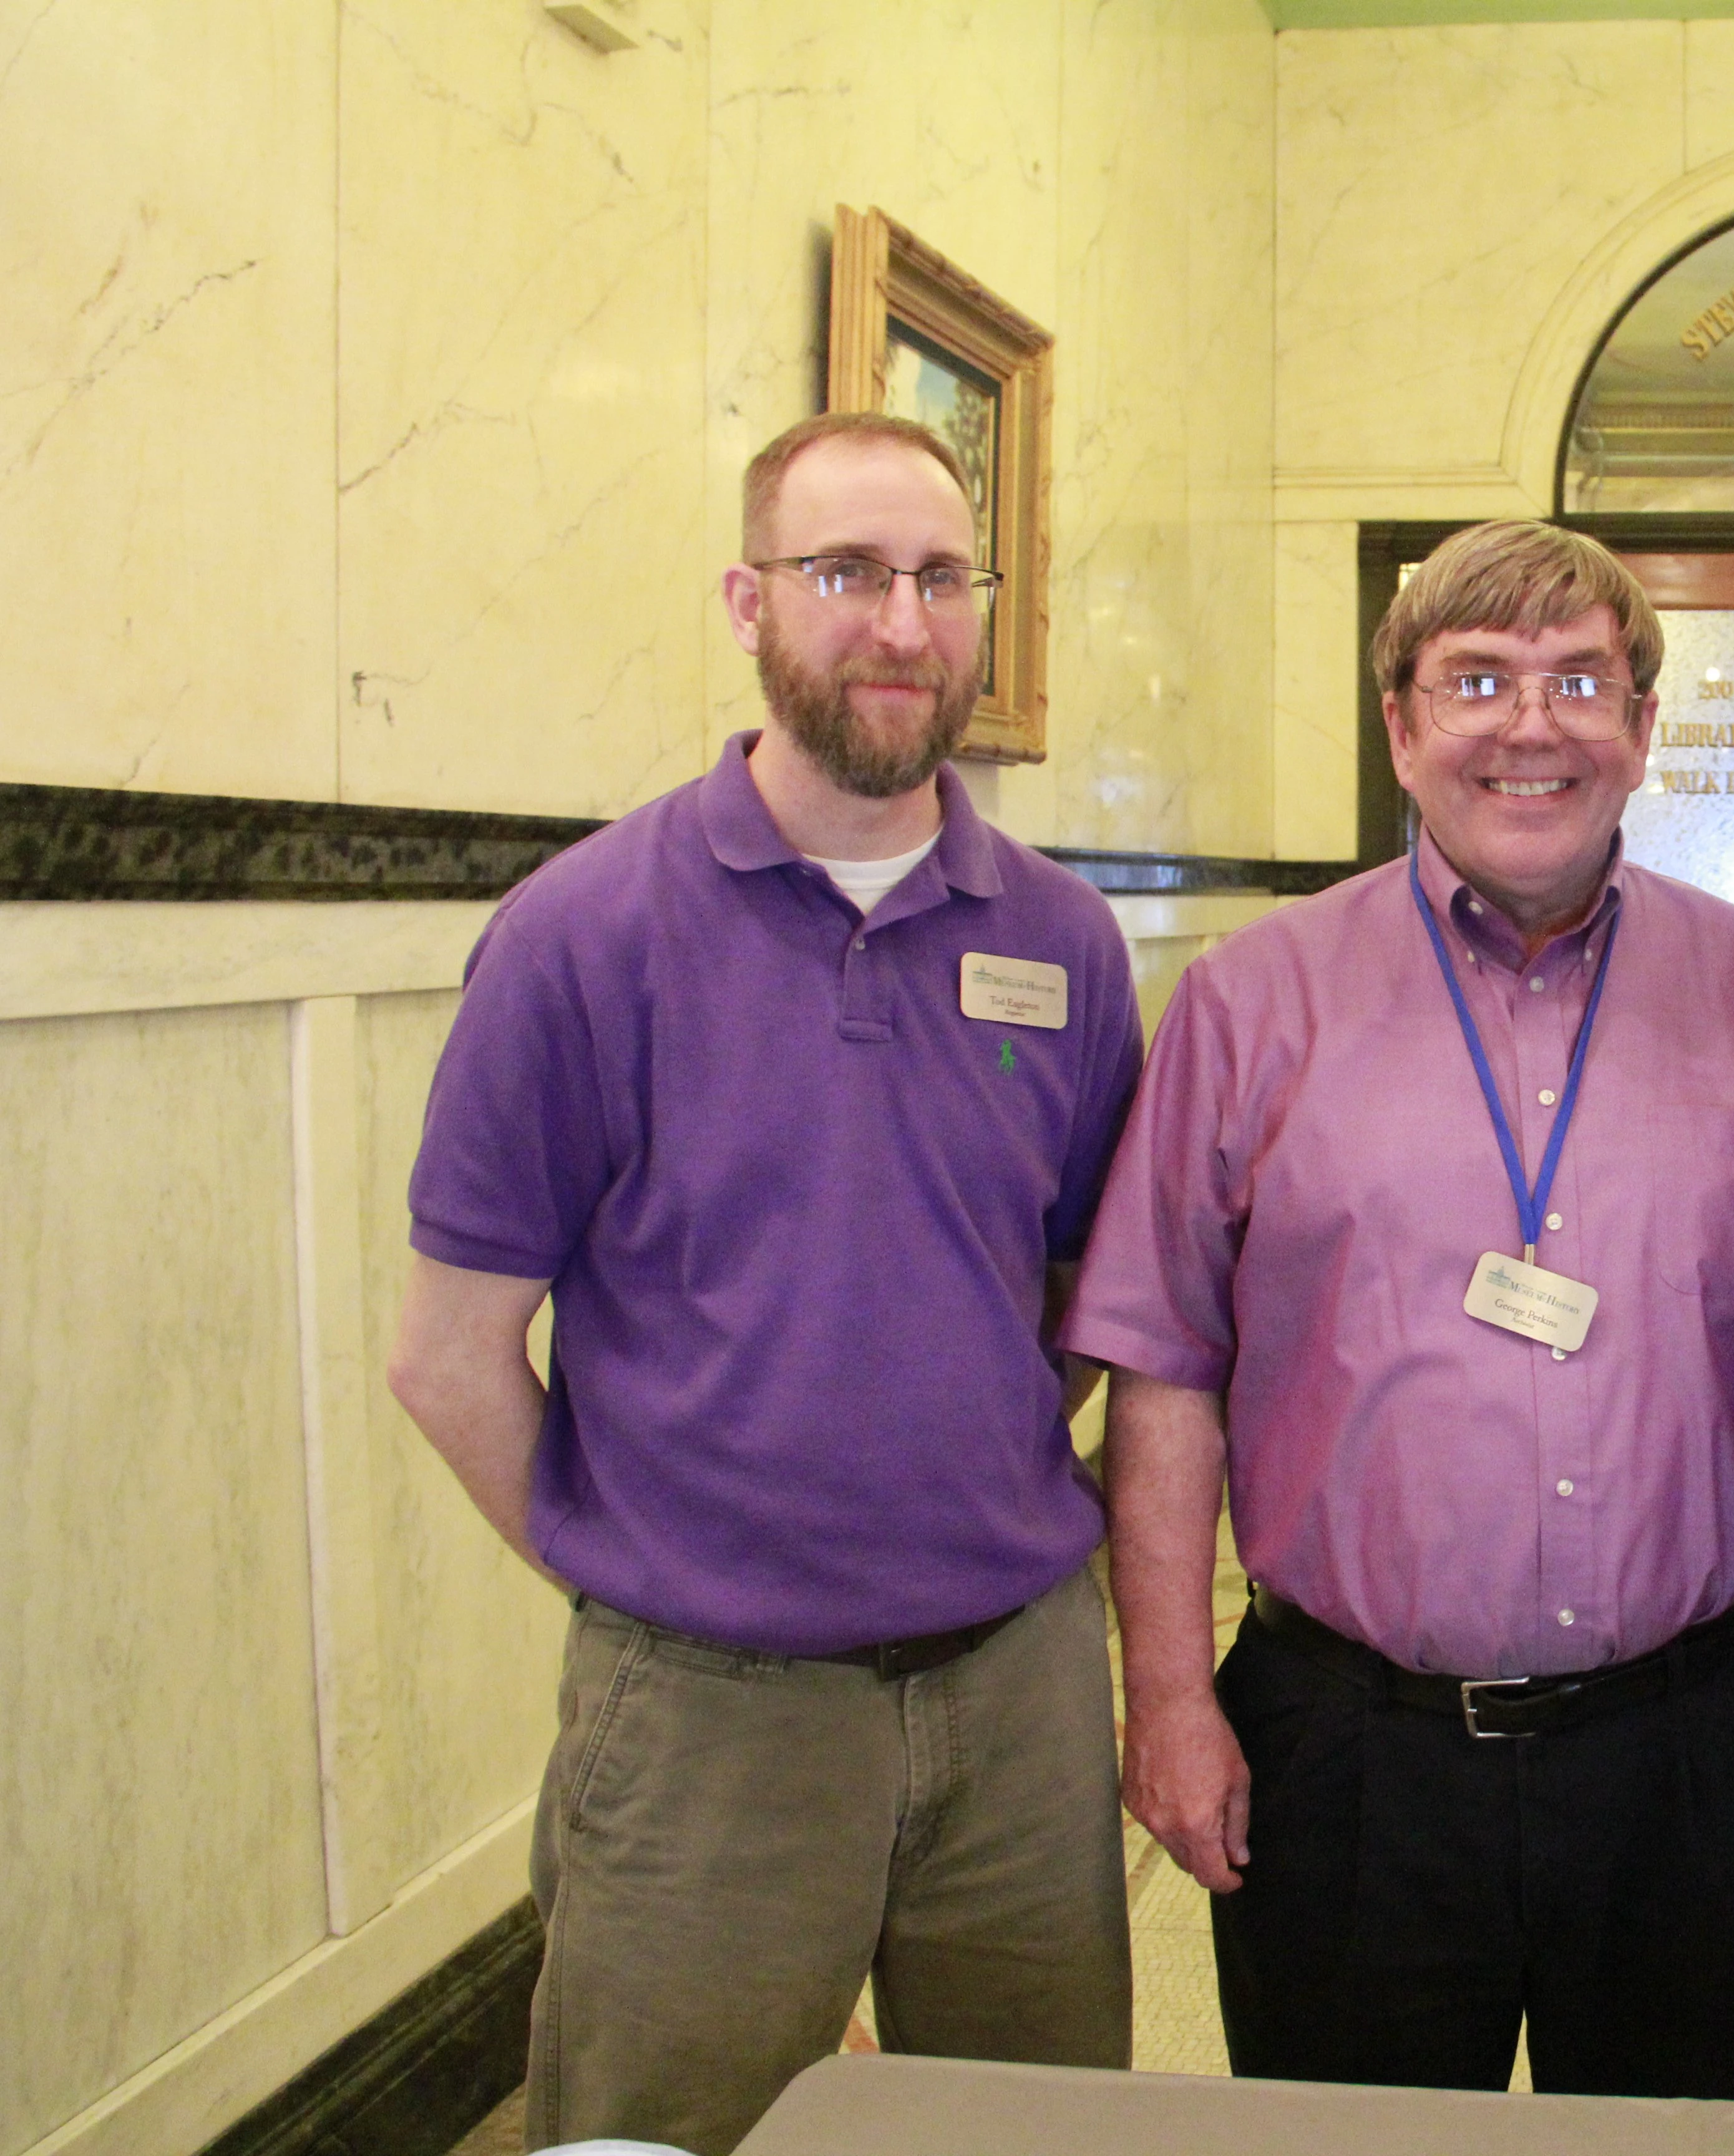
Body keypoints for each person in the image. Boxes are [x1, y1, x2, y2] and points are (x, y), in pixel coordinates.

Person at [387, 410, 1144, 2154]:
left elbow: (1078, 1292)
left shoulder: (1062, 942)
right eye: (847, 572)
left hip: (1020, 1702)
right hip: (707, 1719)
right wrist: (651, 1569)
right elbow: (447, 1355)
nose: (901, 624)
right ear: (749, 602)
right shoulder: (582, 936)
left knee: (1027, 2138)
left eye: (942, 578)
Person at [1065, 520, 1734, 2099]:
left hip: (1690, 1749)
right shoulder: (1251, 1002)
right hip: (1352, 1757)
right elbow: (1165, 1370)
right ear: (1401, 726)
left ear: (1643, 727)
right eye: (1479, 679)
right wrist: (1164, 1698)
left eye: (1580, 680)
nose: (1532, 724)